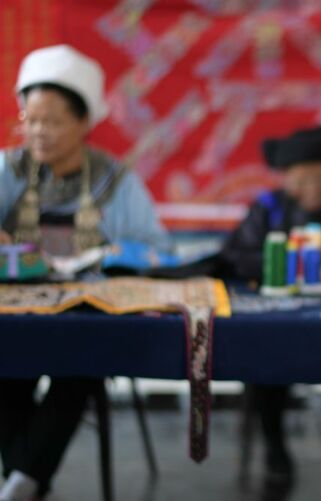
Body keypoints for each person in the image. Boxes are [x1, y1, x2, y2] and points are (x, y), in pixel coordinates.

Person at [0, 45, 169, 501]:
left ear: (83, 123)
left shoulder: (114, 180)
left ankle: (21, 481)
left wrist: (114, 253)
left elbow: (158, 249)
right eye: (30, 119)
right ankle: (25, 480)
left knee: (82, 362)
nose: (39, 132)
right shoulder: (7, 169)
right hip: (18, 312)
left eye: (52, 121)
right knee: (6, 364)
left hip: (90, 310)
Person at [216, 126, 321, 487]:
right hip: (276, 319)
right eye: (301, 178)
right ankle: (276, 452)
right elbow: (235, 258)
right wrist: (300, 264)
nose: (312, 186)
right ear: (286, 176)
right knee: (264, 362)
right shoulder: (268, 209)